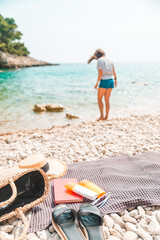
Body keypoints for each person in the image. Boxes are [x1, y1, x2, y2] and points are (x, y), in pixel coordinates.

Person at [88, 49, 117, 120]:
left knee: (99, 99)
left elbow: (100, 74)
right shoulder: (110, 60)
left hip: (104, 81)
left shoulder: (100, 61)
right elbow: (114, 71)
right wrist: (115, 80)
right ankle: (106, 116)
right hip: (111, 81)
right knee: (107, 100)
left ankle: (101, 116)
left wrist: (97, 83)